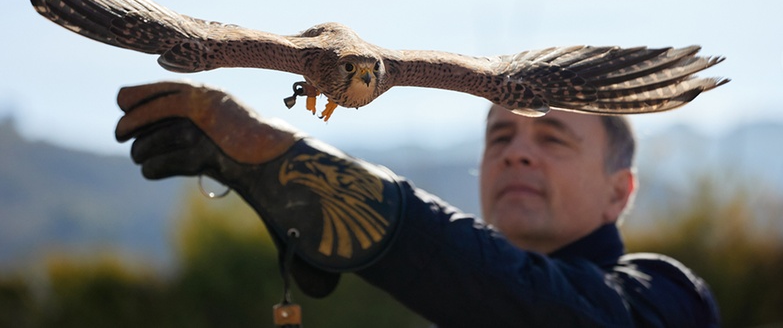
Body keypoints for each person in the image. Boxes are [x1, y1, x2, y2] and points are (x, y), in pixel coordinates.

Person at [116, 80, 720, 327]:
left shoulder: (664, 297)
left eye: (551, 138)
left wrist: (299, 170)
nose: (516, 153)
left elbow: (548, 306)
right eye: (500, 137)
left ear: (621, 190)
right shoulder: (459, 302)